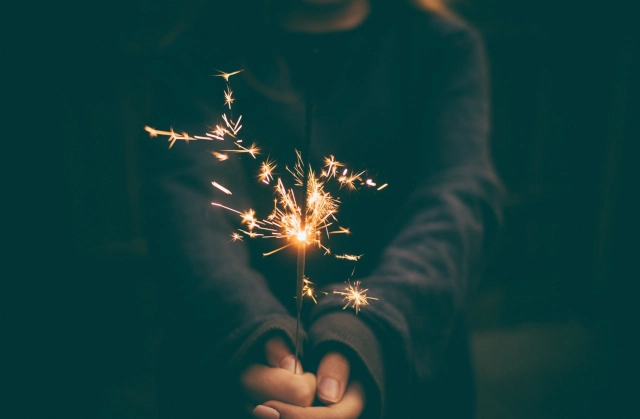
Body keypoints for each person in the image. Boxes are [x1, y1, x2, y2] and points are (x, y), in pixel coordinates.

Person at [142, 0, 502, 418]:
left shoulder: (442, 47)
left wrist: (366, 329)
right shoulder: (196, 53)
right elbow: (188, 211)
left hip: (407, 373)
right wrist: (253, 333)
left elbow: (457, 200)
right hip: (230, 374)